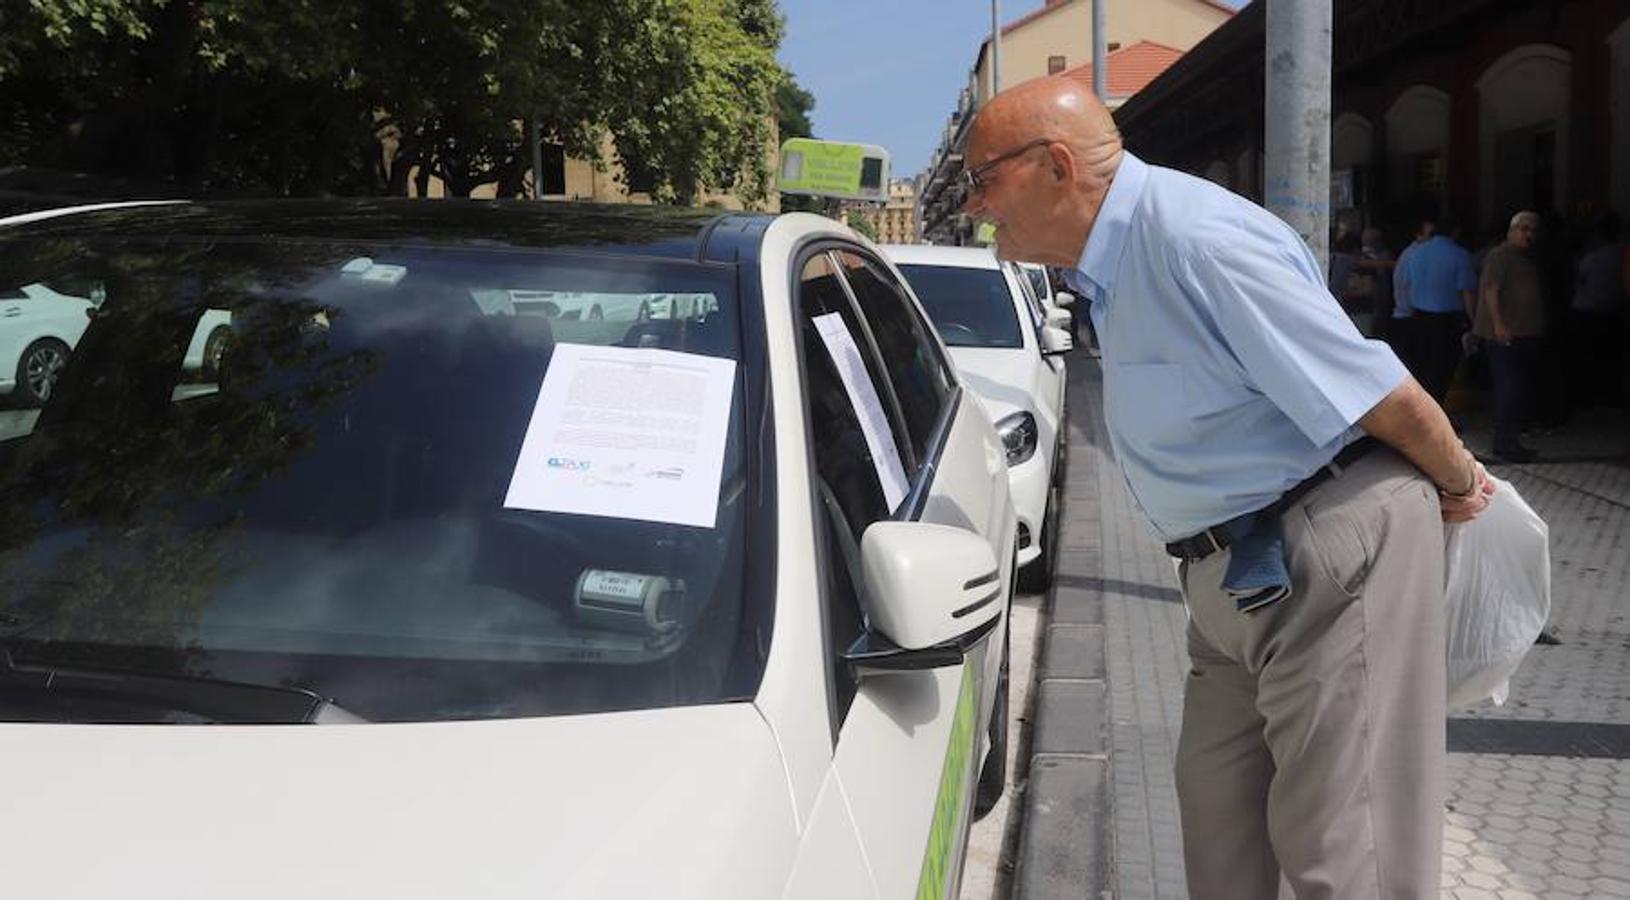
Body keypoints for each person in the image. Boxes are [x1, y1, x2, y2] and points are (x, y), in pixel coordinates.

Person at [959, 76, 1494, 900]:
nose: (972, 208)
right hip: (1232, 576)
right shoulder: (1117, 260)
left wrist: (1460, 482)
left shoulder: (1194, 238)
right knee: (1220, 826)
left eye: (981, 180)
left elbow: (1380, 393)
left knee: (1347, 848)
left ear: (1055, 166)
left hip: (1324, 550)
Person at [1474, 211, 1547, 463]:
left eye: (1533, 230)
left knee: (1518, 389)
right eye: (1524, 229)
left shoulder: (1525, 258)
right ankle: (1504, 443)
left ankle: (1511, 439)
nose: (1529, 235)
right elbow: (1491, 290)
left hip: (1524, 333)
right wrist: (1499, 324)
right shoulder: (1500, 256)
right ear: (1511, 230)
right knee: (1508, 387)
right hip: (1506, 335)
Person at [1393, 218, 1476, 403]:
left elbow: (1405, 283)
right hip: (1447, 320)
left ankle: (1421, 410)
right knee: (1443, 368)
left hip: (1418, 315)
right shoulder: (1460, 255)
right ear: (1455, 233)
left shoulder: (1415, 253)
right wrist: (1473, 321)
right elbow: (1467, 292)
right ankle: (1436, 412)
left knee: (1421, 366)